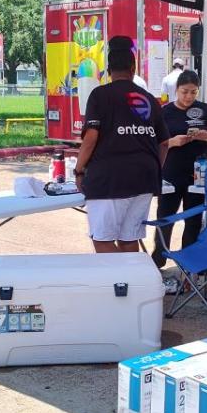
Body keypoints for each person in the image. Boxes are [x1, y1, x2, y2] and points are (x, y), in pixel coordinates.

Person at [73, 36, 169, 253]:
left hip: (110, 179)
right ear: (133, 68)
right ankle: (130, 285)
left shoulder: (100, 95)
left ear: (108, 69)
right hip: (145, 178)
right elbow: (164, 143)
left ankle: (121, 283)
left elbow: (90, 138)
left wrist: (79, 170)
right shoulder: (148, 98)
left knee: (103, 240)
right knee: (129, 239)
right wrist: (154, 168)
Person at [152, 70, 207, 268]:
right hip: (171, 174)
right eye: (184, 92)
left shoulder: (206, 109)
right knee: (165, 218)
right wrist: (172, 142)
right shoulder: (165, 112)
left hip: (198, 175)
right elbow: (154, 143)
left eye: (193, 92)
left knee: (193, 220)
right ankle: (158, 259)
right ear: (176, 90)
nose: (189, 96)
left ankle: (187, 264)